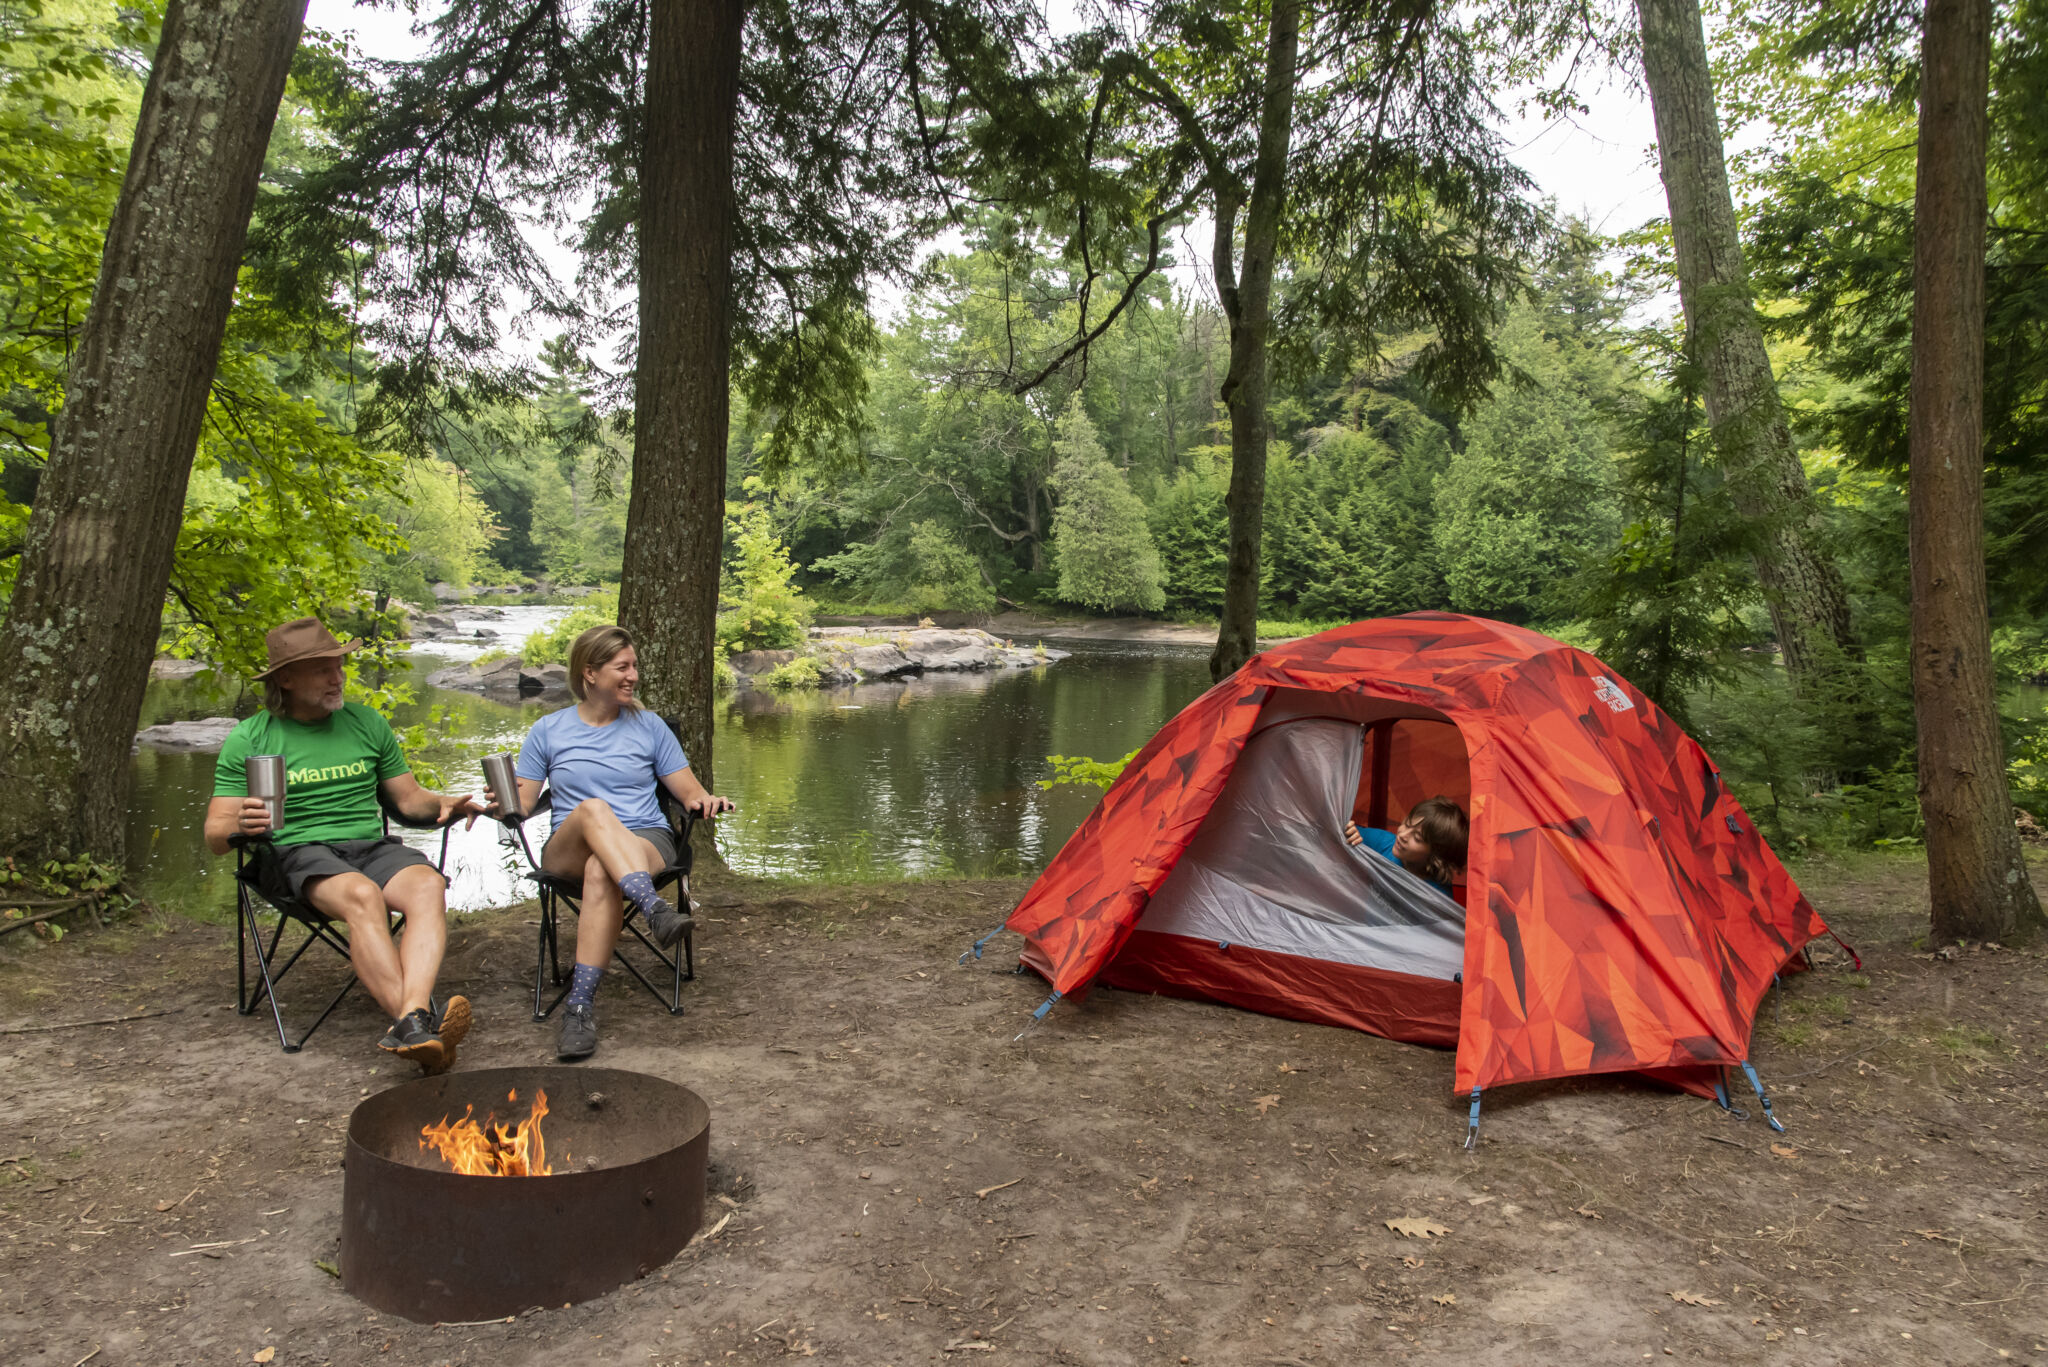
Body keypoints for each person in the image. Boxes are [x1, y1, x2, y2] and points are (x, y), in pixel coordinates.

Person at [205, 618, 488, 1072]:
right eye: (322, 670)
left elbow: (408, 798)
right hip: (295, 852)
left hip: (368, 846)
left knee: (427, 886)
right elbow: (217, 836)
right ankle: (418, 1026)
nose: (338, 677)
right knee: (362, 895)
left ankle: (412, 1021)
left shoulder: (365, 722)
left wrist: (445, 802)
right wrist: (240, 820)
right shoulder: (251, 737)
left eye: (339, 665)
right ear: (286, 679)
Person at [501, 624, 733, 1062]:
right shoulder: (548, 731)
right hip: (569, 845)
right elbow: (522, 803)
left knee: (600, 870)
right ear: (590, 673)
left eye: (635, 666)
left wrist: (709, 802)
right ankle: (655, 909)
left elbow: (690, 794)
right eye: (622, 667)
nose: (633, 676)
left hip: (644, 839)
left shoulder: (651, 728)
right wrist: (500, 802)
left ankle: (579, 1007)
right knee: (592, 809)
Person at [1345, 796, 1468, 898]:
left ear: (1436, 855)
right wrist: (1350, 832)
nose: (1402, 835)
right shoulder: (1385, 842)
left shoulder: (1437, 896)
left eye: (1417, 838)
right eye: (1407, 824)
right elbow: (1340, 831)